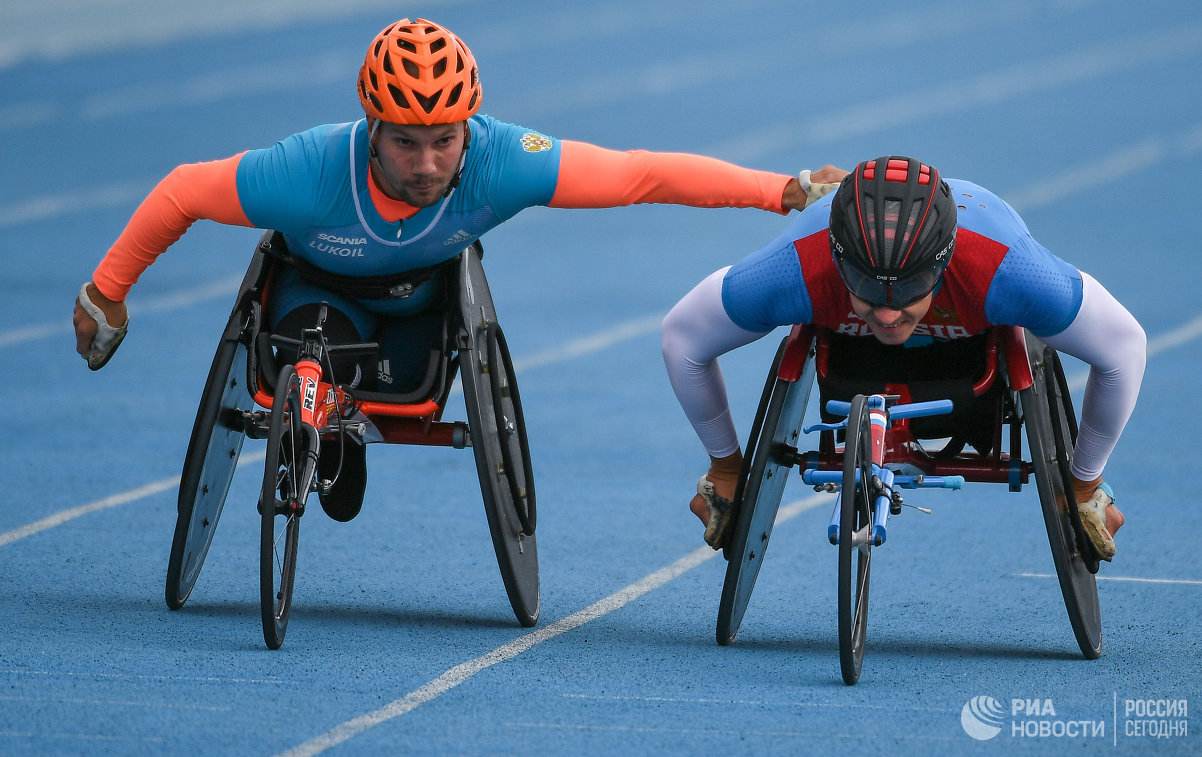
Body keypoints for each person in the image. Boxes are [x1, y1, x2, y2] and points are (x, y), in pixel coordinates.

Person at [72, 17, 841, 523]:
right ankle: (324, 422)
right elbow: (180, 191)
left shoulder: (499, 160)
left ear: (467, 125)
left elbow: (639, 174)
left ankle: (339, 425)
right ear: (372, 128)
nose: (429, 163)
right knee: (314, 339)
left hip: (421, 309)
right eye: (406, 142)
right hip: (317, 292)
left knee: (406, 372)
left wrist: (779, 192)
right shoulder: (305, 169)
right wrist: (107, 293)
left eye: (444, 139)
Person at [661, 155, 1144, 560]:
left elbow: (1124, 347)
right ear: (837, 261)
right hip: (855, 356)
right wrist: (727, 466)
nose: (889, 313)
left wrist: (1084, 481)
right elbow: (682, 337)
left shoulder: (1007, 269)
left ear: (944, 262)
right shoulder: (797, 265)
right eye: (868, 290)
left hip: (969, 355)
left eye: (910, 290)